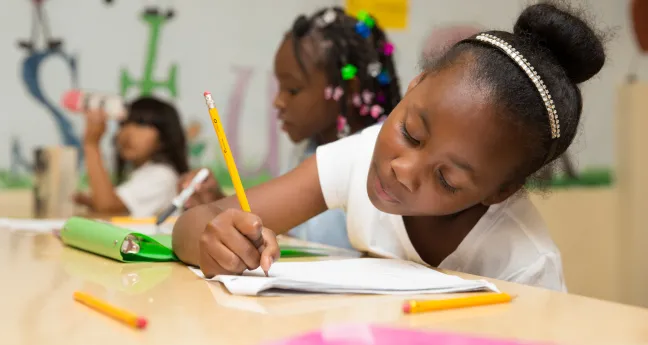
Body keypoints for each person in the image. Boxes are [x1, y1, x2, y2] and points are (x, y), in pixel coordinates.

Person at [172, 2, 606, 291]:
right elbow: (197, 222)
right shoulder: (358, 158)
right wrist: (215, 240)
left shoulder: (524, 263)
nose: (403, 169)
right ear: (412, 87)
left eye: (446, 179)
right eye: (412, 133)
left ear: (499, 192)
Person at [179, 7, 401, 249]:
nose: (278, 102)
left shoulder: (373, 160)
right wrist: (220, 207)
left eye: (293, 90)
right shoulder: (307, 150)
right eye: (280, 87)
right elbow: (282, 231)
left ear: (348, 90)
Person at [74, 97, 189, 217]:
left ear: (165, 137)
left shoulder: (162, 175)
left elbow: (108, 207)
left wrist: (91, 144)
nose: (128, 132)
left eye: (141, 124)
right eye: (123, 124)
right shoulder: (141, 172)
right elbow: (112, 203)